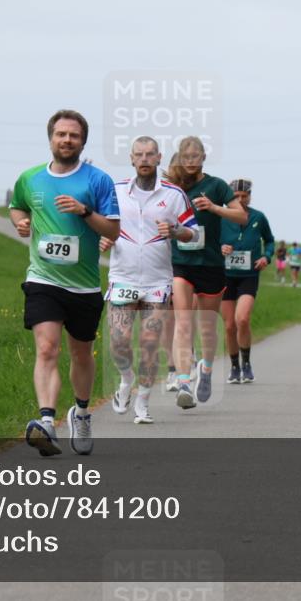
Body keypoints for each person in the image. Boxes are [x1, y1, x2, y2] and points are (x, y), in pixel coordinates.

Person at [9, 109, 120, 456]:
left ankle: (82, 412)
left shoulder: (98, 181)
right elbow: (17, 205)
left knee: (81, 353)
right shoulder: (30, 178)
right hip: (43, 279)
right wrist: (21, 222)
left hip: (84, 285)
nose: (67, 140)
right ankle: (45, 420)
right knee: (46, 348)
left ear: (82, 141)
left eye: (73, 135)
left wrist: (85, 212)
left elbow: (113, 230)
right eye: (61, 134)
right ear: (51, 138)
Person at [101, 137, 196, 424]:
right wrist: (102, 237)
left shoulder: (175, 194)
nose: (144, 159)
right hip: (123, 276)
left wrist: (176, 230)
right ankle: (126, 378)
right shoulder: (115, 191)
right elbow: (100, 223)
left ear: (159, 158)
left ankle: (142, 404)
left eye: (150, 154)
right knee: (118, 342)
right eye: (139, 154)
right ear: (131, 159)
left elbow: (195, 233)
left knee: (151, 343)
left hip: (157, 281)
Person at [167, 136, 247, 408]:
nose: (190, 161)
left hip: (211, 264)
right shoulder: (173, 185)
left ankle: (207, 370)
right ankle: (183, 382)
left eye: (195, 156)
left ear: (203, 157)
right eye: (185, 156)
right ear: (180, 157)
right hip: (181, 262)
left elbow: (241, 216)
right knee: (183, 321)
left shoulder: (216, 185)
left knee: (207, 328)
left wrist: (214, 208)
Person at [220, 179, 273, 384]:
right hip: (225, 276)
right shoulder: (222, 217)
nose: (241, 200)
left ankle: (247, 363)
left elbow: (269, 240)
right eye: (237, 197)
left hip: (249, 275)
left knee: (242, 319)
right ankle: (234, 367)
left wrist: (266, 257)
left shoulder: (258, 217)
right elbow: (211, 241)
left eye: (245, 196)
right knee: (229, 325)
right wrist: (221, 248)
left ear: (250, 196)